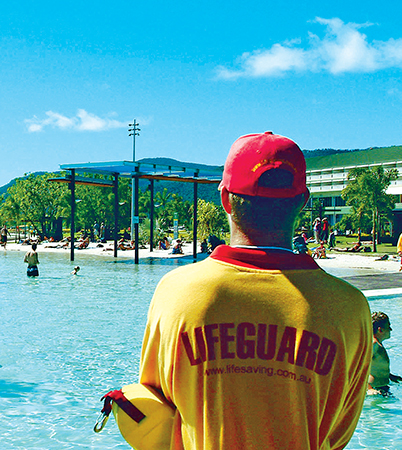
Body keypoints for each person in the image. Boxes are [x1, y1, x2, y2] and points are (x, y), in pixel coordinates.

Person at [138, 132, 371, 448]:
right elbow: (339, 432)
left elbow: (153, 408)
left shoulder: (176, 292)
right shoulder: (349, 306)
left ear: (224, 199)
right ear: (302, 203)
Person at [367, 312, 402, 396]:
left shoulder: (378, 344)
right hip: (375, 390)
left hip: (381, 388)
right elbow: (357, 367)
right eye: (388, 326)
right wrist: (369, 389)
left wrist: (390, 376)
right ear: (380, 330)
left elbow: (375, 367)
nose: (391, 329)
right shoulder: (373, 345)